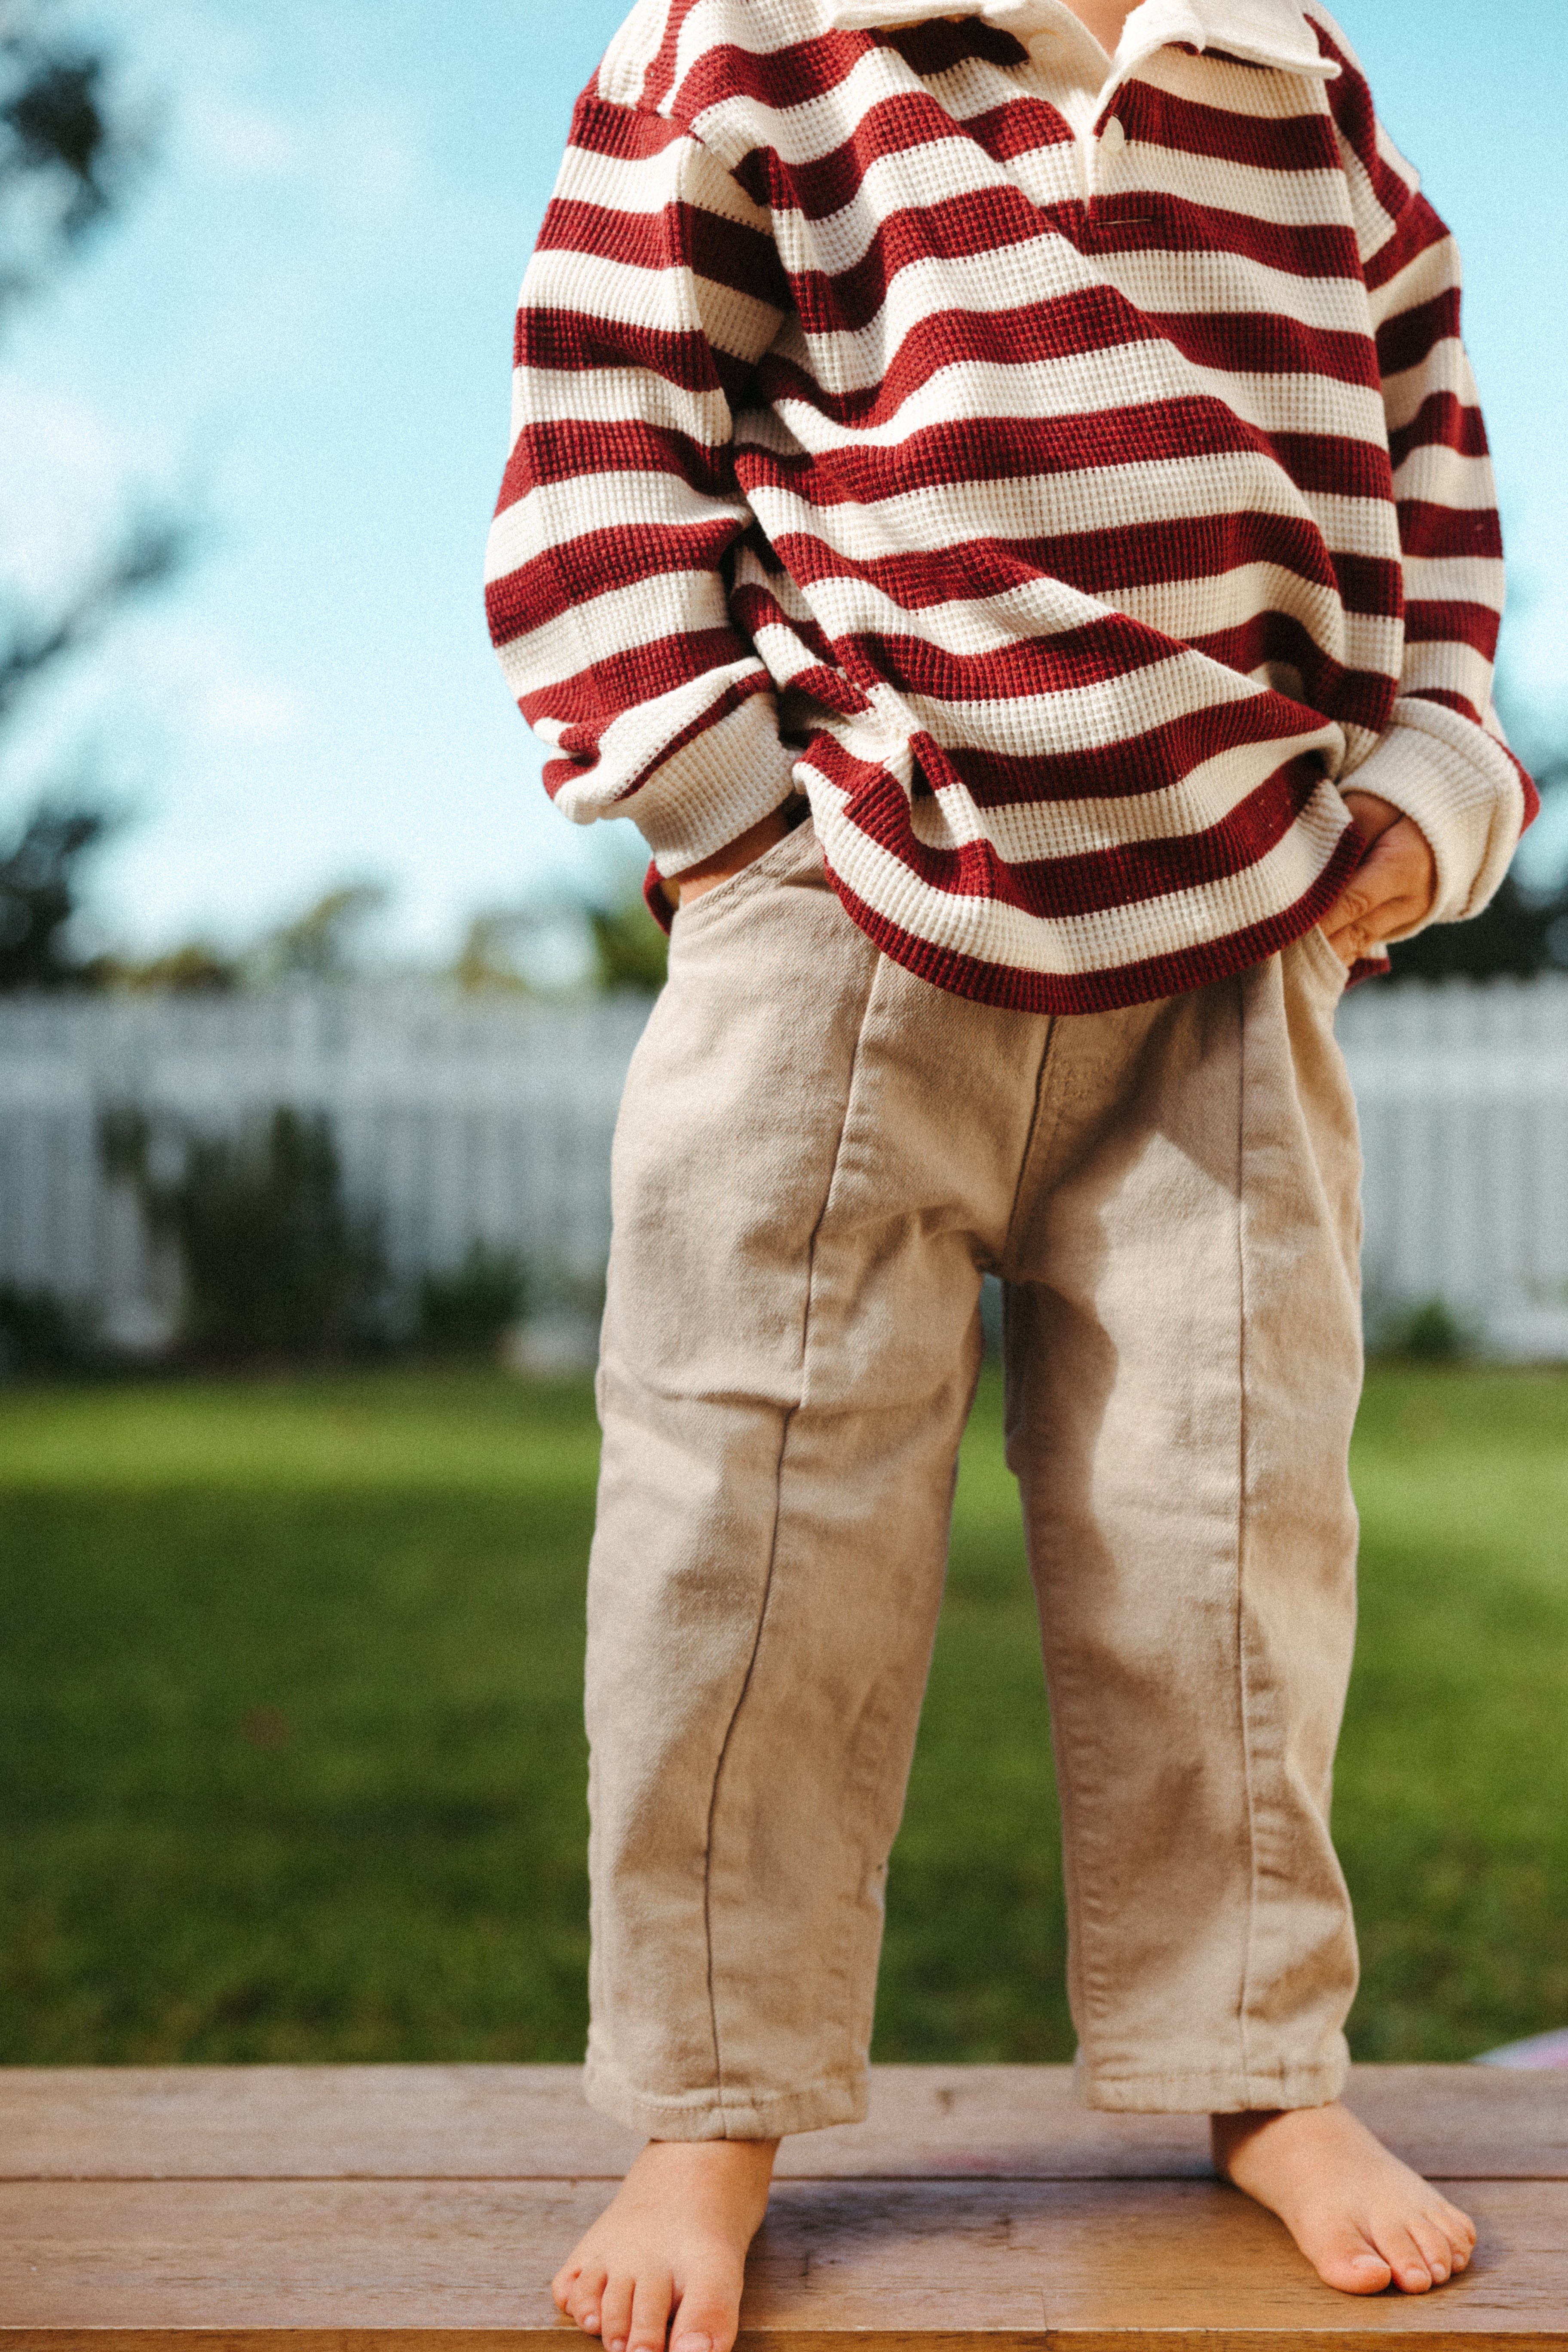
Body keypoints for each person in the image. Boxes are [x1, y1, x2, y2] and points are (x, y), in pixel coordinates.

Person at [486, 0, 1534, 2335]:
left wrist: (1433, 784)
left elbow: (1434, 469)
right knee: (751, 1527)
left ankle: (1254, 2063)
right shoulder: (756, 39)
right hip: (842, 917)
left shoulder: (1297, 80)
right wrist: (730, 813)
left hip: (1239, 923)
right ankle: (710, 2105)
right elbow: (602, 432)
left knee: (1230, 1524)